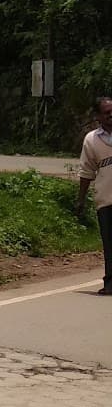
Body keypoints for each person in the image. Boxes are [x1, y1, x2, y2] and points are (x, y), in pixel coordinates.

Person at [75, 96, 112, 295]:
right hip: (106, 200)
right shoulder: (92, 140)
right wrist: (81, 199)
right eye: (107, 112)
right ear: (98, 116)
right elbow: (86, 171)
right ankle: (110, 283)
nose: (111, 115)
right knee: (109, 243)